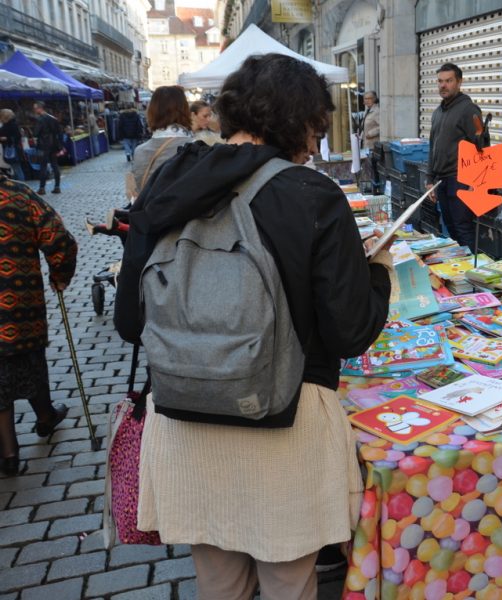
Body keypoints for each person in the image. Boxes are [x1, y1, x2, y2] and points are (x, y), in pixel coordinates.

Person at [114, 53, 393, 599]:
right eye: (314, 128)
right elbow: (349, 332)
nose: (315, 144)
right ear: (294, 121)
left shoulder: (167, 181)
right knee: (290, 581)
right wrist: (376, 272)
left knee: (218, 583)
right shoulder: (312, 195)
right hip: (287, 423)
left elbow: (130, 320)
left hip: (185, 422)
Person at [0, 173, 77, 475]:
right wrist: (60, 276)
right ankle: (42, 418)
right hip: (19, 305)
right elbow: (60, 240)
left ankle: (9, 451)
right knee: (30, 360)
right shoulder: (19, 195)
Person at [427, 63, 488, 248]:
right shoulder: (438, 112)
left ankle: (471, 273)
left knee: (463, 230)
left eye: (448, 81)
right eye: (440, 81)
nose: (443, 85)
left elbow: (482, 146)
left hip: (461, 179)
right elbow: (432, 147)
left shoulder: (469, 110)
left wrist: (476, 183)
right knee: (451, 230)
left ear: (459, 82)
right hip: (442, 181)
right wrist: (430, 180)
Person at [129, 87, 193, 195]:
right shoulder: (197, 146)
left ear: (152, 111)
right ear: (185, 110)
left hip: (151, 210)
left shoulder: (140, 151)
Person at [32, 102, 63, 195]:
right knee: (55, 165)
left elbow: (36, 133)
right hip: (53, 145)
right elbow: (59, 131)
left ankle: (42, 188)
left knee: (43, 166)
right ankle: (57, 186)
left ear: (39, 108)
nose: (34, 110)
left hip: (43, 145)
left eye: (35, 108)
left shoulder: (40, 119)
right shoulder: (53, 118)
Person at [0, 109, 26, 181]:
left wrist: (6, 138)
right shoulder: (12, 124)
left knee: (17, 169)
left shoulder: (12, 125)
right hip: (14, 149)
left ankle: (21, 187)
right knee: (16, 169)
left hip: (13, 150)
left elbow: (17, 137)